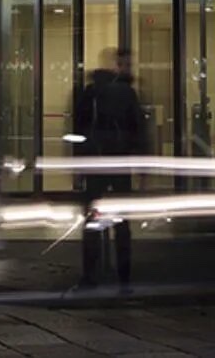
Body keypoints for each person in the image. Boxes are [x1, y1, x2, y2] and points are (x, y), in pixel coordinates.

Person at [73, 47, 145, 291]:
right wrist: (141, 162)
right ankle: (124, 277)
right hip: (119, 163)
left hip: (95, 162)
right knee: (122, 224)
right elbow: (137, 129)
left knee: (92, 220)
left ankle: (90, 275)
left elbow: (79, 128)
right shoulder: (127, 93)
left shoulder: (91, 91)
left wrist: (78, 163)